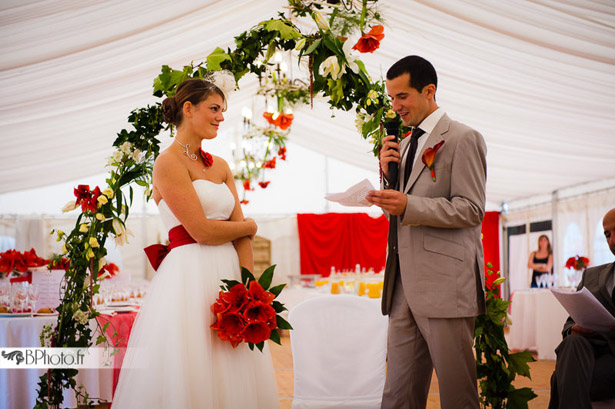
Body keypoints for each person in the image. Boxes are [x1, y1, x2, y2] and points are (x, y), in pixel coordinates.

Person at [112, 78, 280, 408]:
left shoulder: (220, 166)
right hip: (188, 276)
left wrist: (247, 291)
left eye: (223, 111)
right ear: (189, 109)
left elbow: (242, 235)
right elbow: (202, 231)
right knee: (192, 363)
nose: (220, 117)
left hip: (229, 276)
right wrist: (248, 225)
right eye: (214, 109)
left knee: (232, 365)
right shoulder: (168, 162)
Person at [366, 55, 487, 409]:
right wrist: (388, 177)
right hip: (402, 285)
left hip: (445, 285)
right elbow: (405, 202)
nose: (395, 106)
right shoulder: (403, 145)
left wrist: (408, 205)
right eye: (391, 97)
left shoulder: (463, 138)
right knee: (398, 392)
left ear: (429, 91)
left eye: (402, 96)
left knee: (456, 394)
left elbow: (471, 209)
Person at [548, 208, 615, 409]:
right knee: (572, 343)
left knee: (562, 375)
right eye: (607, 234)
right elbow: (569, 322)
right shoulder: (591, 275)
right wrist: (574, 329)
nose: (612, 241)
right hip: (589, 353)